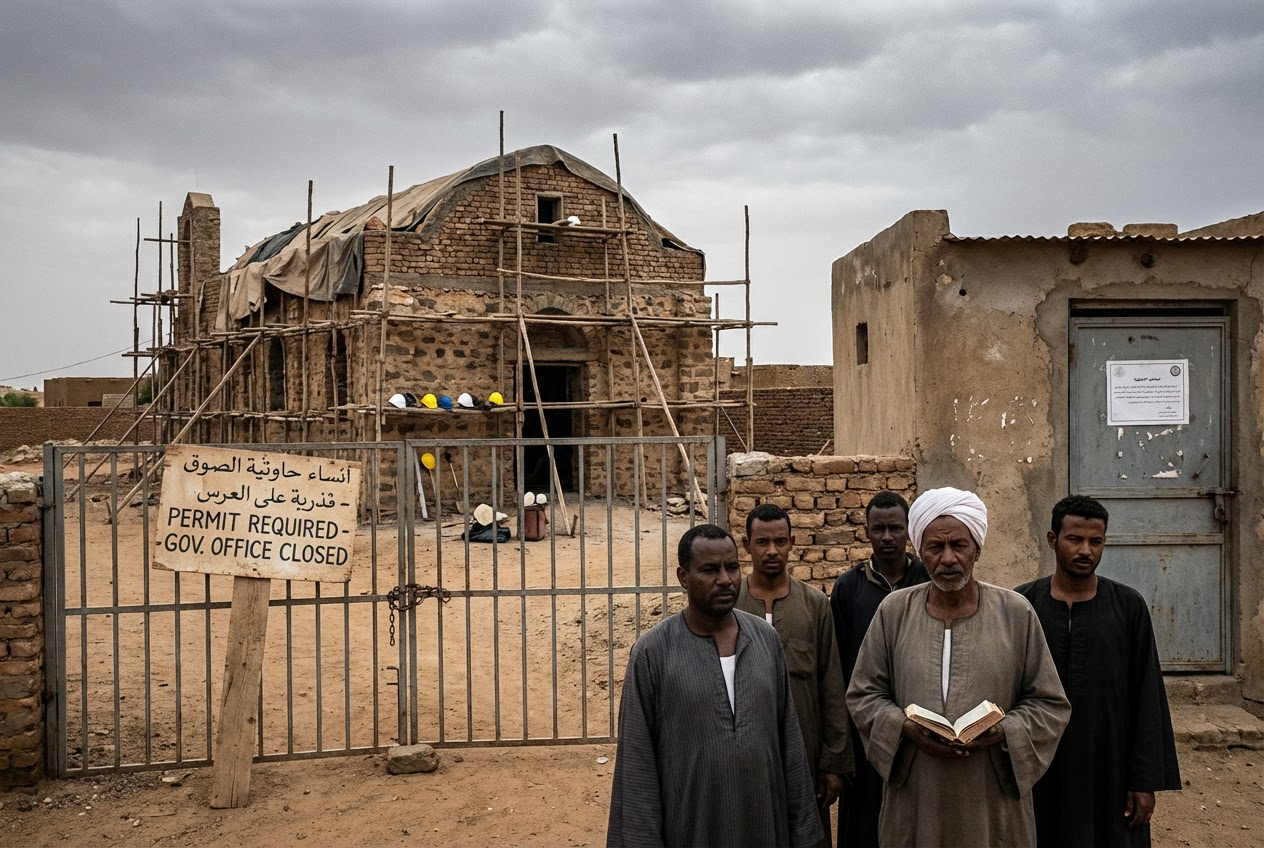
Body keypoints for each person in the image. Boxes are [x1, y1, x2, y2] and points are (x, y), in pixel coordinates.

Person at [846, 487, 1071, 847]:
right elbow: (863, 695)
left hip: (990, 800)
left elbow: (1050, 704)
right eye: (936, 548)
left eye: (959, 546)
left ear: (977, 549)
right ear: (921, 551)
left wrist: (1004, 731)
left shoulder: (1016, 613)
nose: (948, 559)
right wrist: (904, 727)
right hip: (918, 794)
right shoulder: (893, 611)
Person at [606, 523, 822, 848]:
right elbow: (637, 765)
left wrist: (804, 832)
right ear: (683, 577)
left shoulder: (765, 640)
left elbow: (790, 744)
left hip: (764, 825)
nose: (725, 580)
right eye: (709, 570)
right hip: (690, 828)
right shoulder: (653, 653)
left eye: (732, 567)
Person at [1016, 495, 1181, 847]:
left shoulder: (1128, 606)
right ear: (1052, 540)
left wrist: (1143, 780)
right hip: (1041, 766)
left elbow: (1147, 696)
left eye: (1096, 541)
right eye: (1075, 539)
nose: (1085, 550)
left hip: (1111, 767)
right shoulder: (1022, 605)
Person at [737, 504, 851, 847]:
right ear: (747, 545)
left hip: (805, 752)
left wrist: (832, 762)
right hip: (745, 754)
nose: (772, 551)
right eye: (762, 542)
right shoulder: (731, 605)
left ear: (792, 543)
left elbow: (832, 685)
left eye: (780, 541)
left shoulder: (815, 605)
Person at [829, 491, 929, 848]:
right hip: (866, 728)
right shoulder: (848, 587)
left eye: (895, 529)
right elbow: (838, 665)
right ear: (867, 532)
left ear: (908, 532)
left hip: (922, 722)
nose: (887, 537)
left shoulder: (927, 581)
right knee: (865, 819)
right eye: (878, 529)